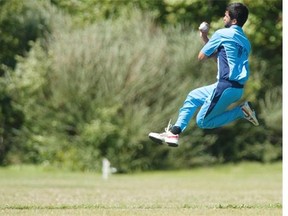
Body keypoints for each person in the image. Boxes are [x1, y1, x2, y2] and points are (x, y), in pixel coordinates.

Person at [148, 2, 259, 147]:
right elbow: (220, 59)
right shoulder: (245, 42)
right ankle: (174, 132)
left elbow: (202, 56)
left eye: (226, 15)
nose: (223, 18)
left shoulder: (222, 33)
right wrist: (206, 37)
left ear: (234, 20)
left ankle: (241, 111)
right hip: (234, 88)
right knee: (193, 96)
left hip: (224, 87)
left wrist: (203, 35)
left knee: (203, 122)